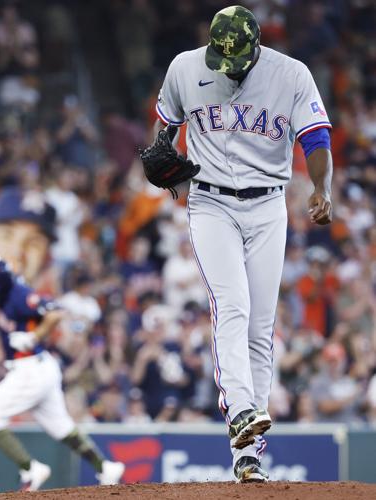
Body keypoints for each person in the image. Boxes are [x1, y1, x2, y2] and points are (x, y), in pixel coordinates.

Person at [152, 5, 333, 482]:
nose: (227, 68)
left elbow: (315, 139)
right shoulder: (185, 68)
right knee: (231, 304)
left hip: (269, 204)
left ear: (256, 48)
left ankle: (248, 455)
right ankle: (239, 411)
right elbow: (165, 128)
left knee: (260, 327)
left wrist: (321, 188)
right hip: (210, 203)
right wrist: (161, 152)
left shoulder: (290, 75)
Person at [0, 256, 124, 491]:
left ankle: (30, 469)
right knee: (61, 427)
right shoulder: (2, 296)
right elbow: (0, 311)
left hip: (29, 368)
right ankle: (104, 467)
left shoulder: (19, 293)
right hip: (40, 368)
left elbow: (55, 313)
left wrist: (34, 336)